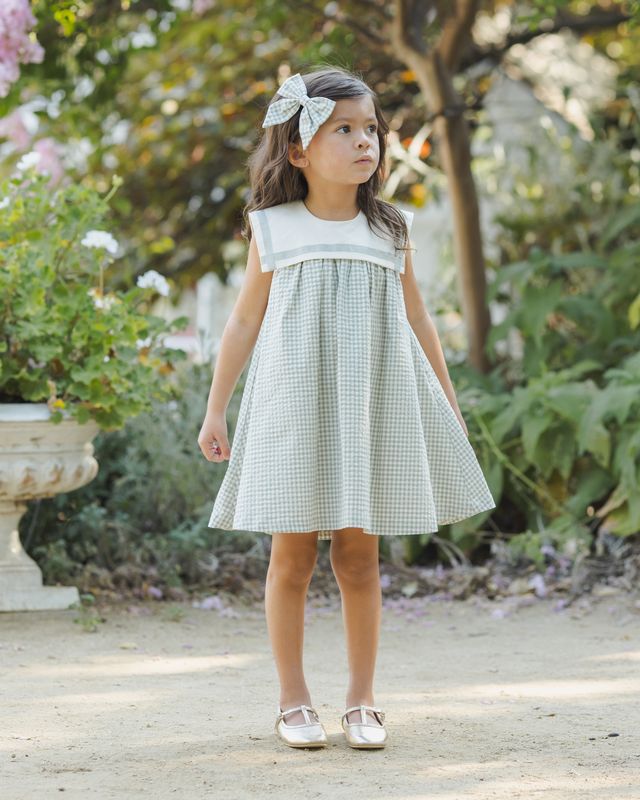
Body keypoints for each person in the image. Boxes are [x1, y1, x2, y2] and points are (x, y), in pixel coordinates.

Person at [197, 67, 496, 750]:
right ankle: (293, 700)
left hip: (368, 413)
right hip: (293, 414)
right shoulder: (272, 230)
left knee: (360, 556)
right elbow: (243, 323)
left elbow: (420, 322)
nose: (366, 143)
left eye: (372, 131)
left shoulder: (390, 229)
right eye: (346, 130)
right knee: (292, 558)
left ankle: (362, 700)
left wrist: (448, 409)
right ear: (299, 150)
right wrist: (217, 411)